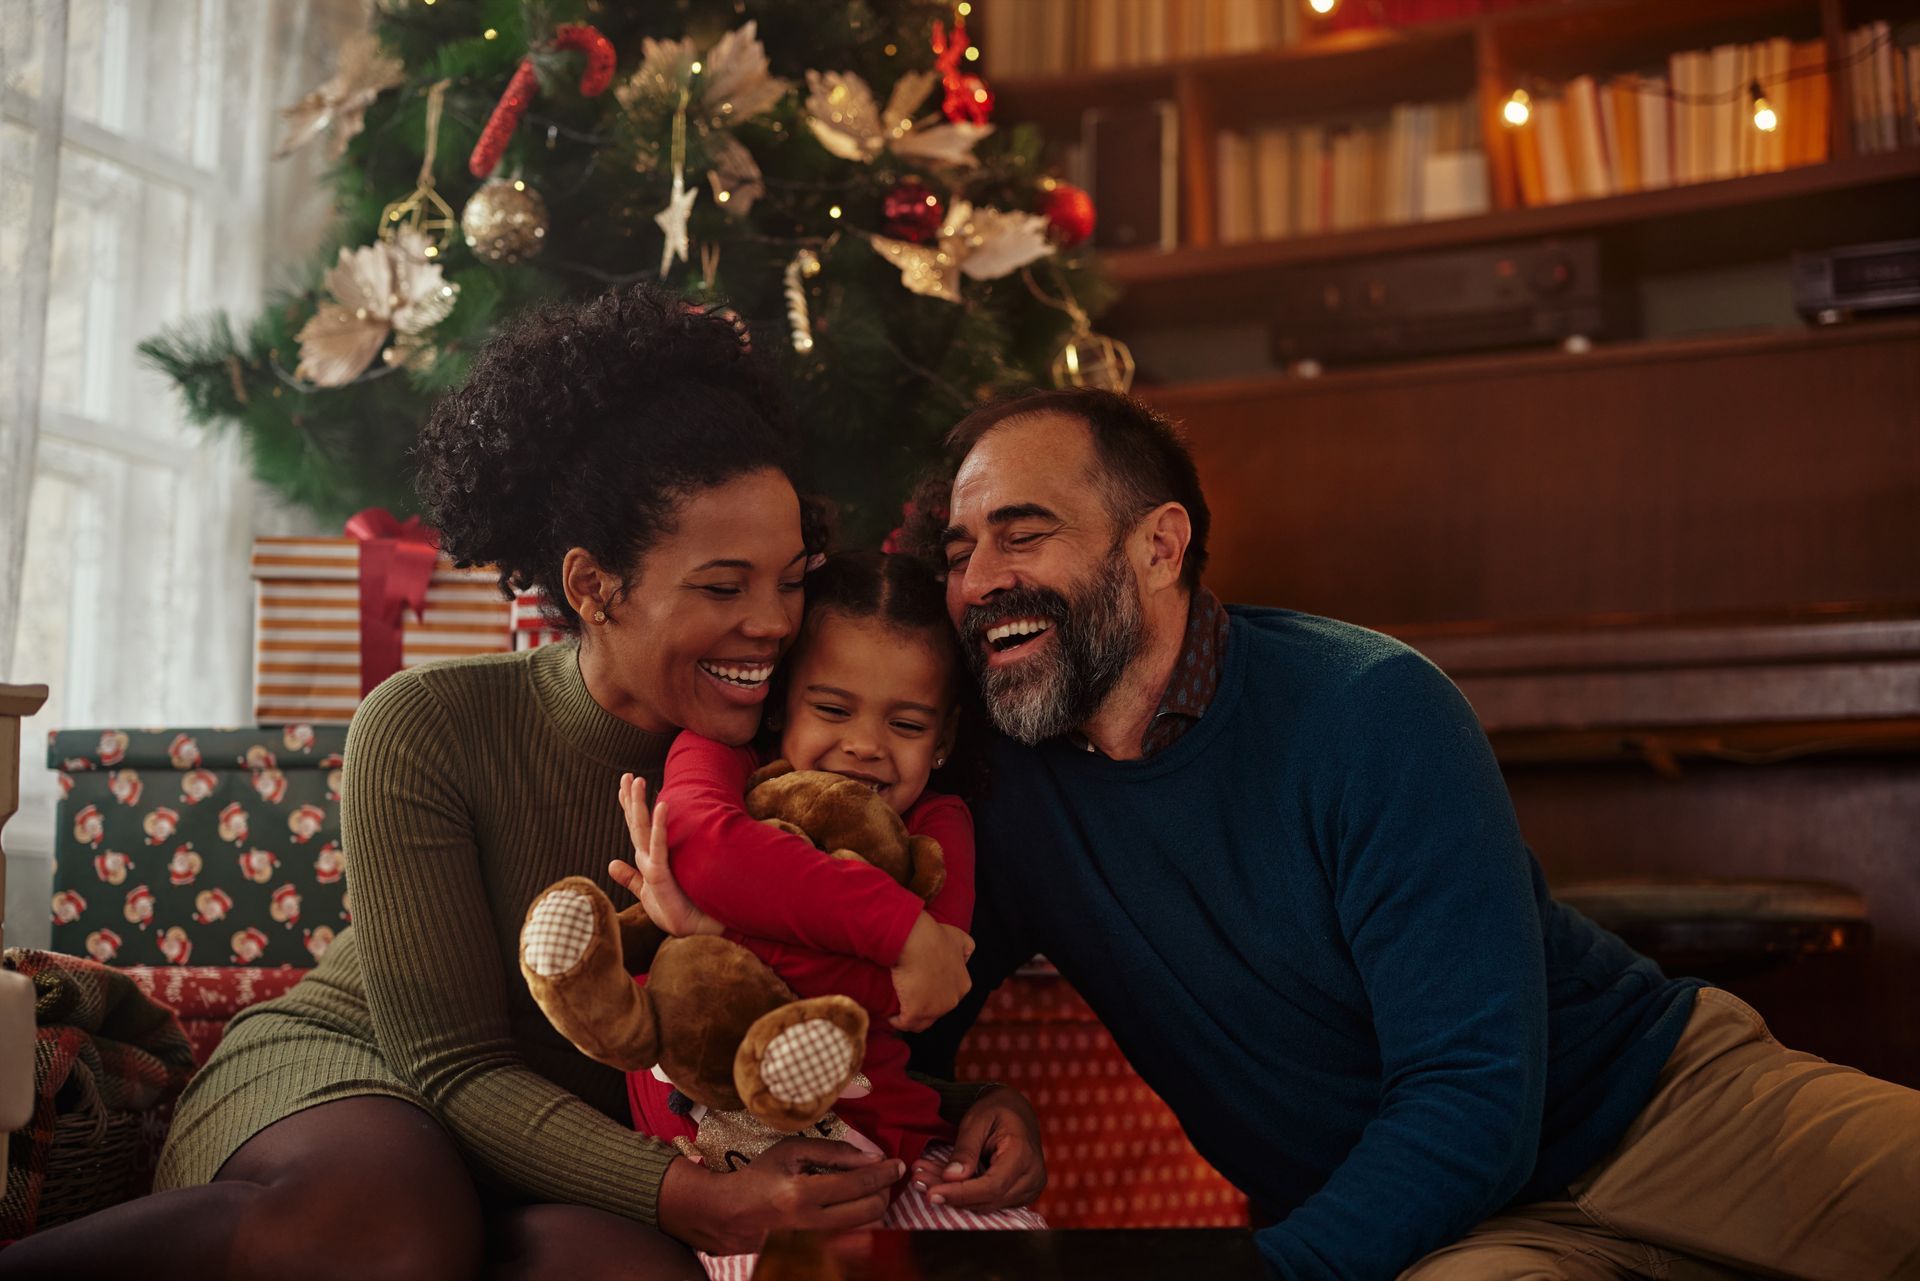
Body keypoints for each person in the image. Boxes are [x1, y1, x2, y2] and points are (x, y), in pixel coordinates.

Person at [0, 286, 1033, 1281]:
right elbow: (451, 1064)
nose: (773, 621)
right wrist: (691, 1197)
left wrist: (984, 1104)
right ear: (593, 586)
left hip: (582, 1148)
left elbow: (808, 1003)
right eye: (724, 586)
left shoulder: (811, 752)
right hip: (366, 1087)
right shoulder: (431, 721)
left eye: (792, 578)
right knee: (388, 1233)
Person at [876, 387, 1917, 1280]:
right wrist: (975, 1094)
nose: (976, 584)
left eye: (1023, 534)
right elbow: (891, 1034)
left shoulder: (1366, 706)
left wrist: (1271, 1272)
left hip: (1672, 1109)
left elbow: (1470, 1095)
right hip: (1446, 1233)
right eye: (961, 553)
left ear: (1158, 545)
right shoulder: (1004, 791)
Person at [621, 549, 1045, 1280]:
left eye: (906, 724)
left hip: (885, 1151)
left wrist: (712, 931)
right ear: (783, 702)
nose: (864, 745)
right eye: (833, 708)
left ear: (943, 740)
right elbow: (704, 848)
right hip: (716, 1165)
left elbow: (916, 991)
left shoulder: (939, 827)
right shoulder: (723, 756)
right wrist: (898, 928)